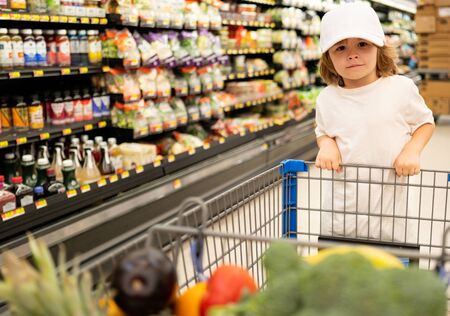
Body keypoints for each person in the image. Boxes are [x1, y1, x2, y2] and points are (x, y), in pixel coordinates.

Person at [314, 2, 435, 242]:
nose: (352, 54)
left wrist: (412, 150)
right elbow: (323, 130)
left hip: (390, 216)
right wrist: (326, 144)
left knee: (391, 275)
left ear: (380, 48)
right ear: (328, 58)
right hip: (342, 215)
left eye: (362, 44)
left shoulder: (400, 89)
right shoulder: (327, 98)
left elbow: (425, 122)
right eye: (340, 47)